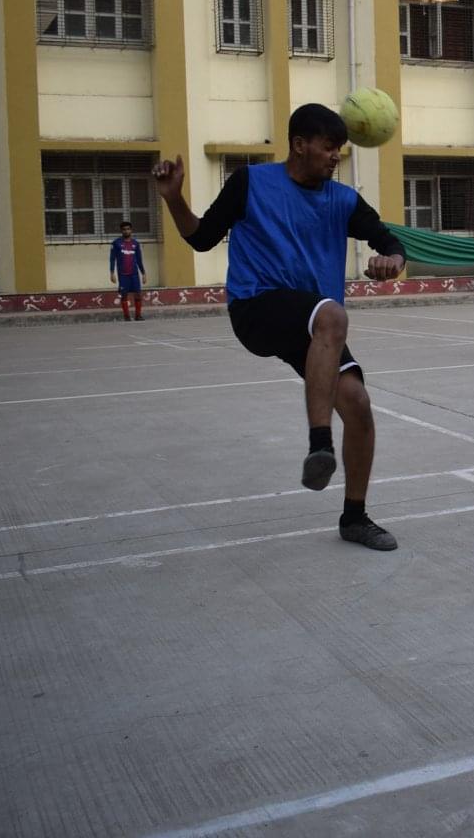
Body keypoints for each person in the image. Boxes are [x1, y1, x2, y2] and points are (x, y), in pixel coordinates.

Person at [150, 103, 405, 551]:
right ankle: (320, 444)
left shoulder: (342, 199)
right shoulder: (251, 182)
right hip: (257, 305)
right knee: (332, 315)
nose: (336, 157)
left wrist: (393, 260)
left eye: (340, 149)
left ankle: (354, 517)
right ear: (299, 144)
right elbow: (202, 237)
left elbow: (387, 239)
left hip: (311, 326)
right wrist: (173, 198)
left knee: (359, 405)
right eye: (329, 147)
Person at [109, 220, 147, 321]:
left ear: (131, 230)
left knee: (138, 294)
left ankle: (138, 315)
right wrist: (112, 273)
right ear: (121, 231)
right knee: (124, 295)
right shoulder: (116, 243)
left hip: (134, 274)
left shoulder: (136, 244)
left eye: (128, 229)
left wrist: (143, 273)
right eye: (124, 229)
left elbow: (139, 259)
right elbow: (112, 259)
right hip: (123, 274)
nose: (126, 231)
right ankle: (126, 316)